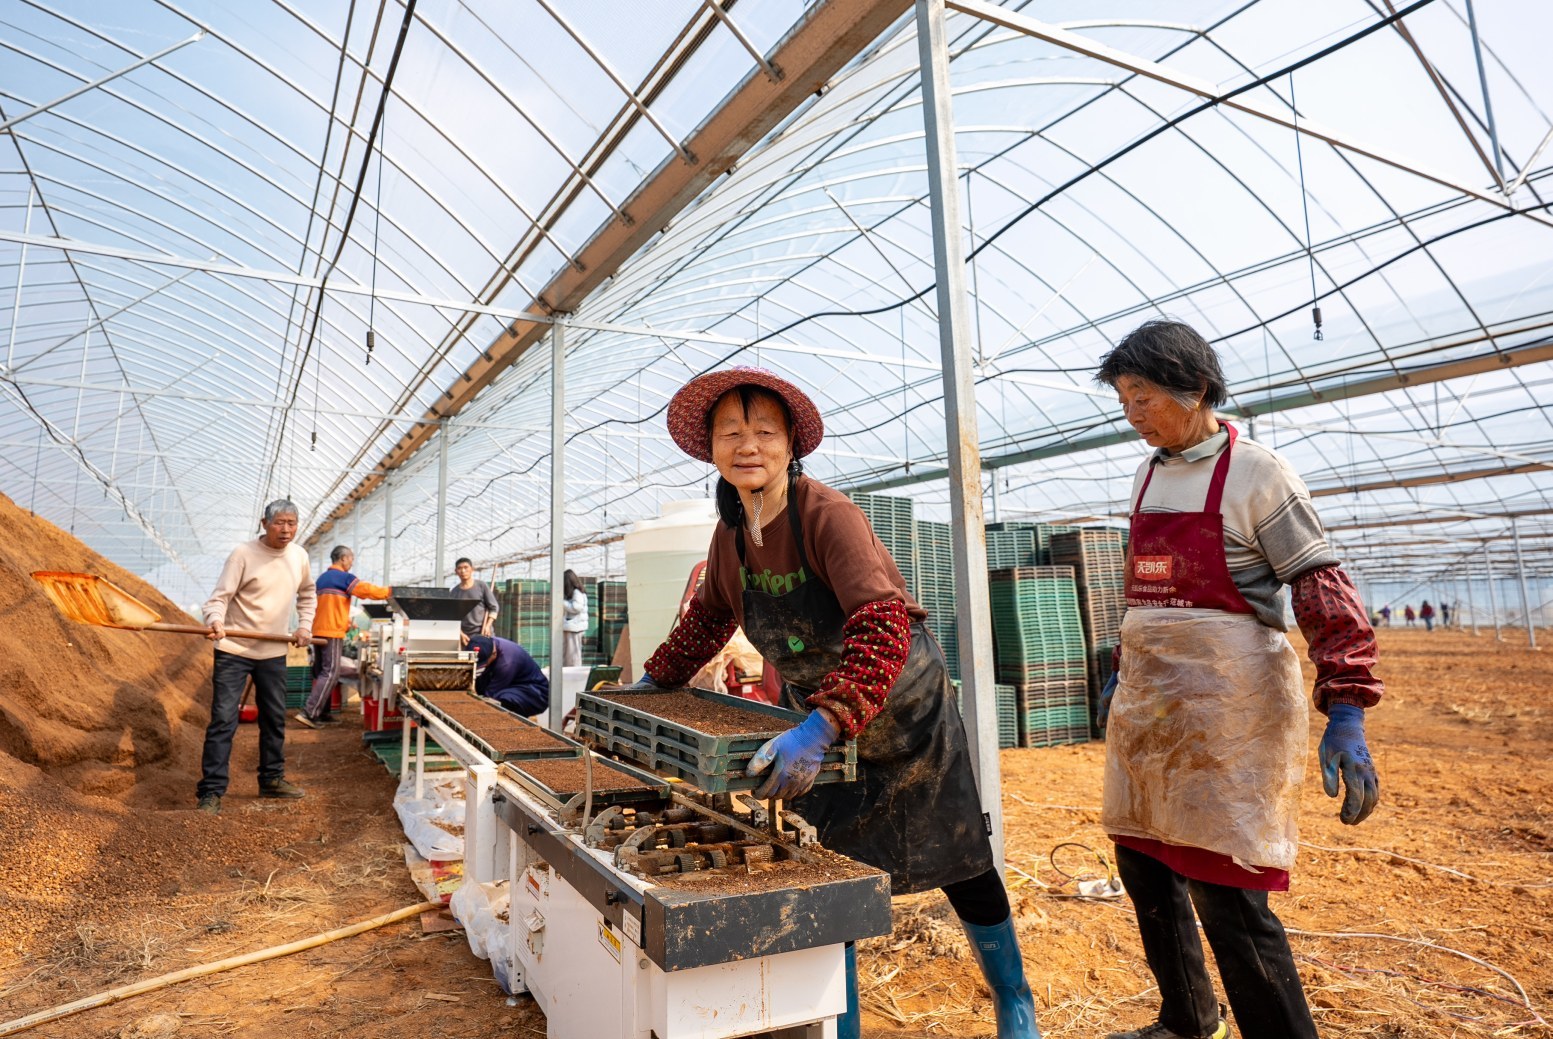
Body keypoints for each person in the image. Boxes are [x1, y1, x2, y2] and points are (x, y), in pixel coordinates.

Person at [628, 368, 1040, 1039]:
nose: (747, 445)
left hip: (904, 712)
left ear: (791, 443)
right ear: (711, 449)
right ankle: (834, 1021)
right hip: (820, 722)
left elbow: (880, 627)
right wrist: (654, 679)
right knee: (823, 870)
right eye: (730, 432)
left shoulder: (826, 515)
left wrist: (820, 726)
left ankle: (1014, 999)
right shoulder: (729, 537)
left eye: (764, 431)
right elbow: (704, 620)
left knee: (959, 858)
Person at [1093, 321, 1382, 1039]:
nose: (1132, 413)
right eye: (1123, 398)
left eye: (1143, 395)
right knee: (1143, 863)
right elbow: (1145, 589)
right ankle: (1188, 1018)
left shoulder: (1257, 473)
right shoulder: (1147, 473)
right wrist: (1125, 671)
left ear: (1194, 390)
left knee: (1229, 895)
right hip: (1152, 709)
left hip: (1229, 712)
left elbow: (1319, 588)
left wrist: (1346, 706)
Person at [197, 499, 318, 814]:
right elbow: (219, 598)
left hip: (273, 650)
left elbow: (307, 594)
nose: (286, 529)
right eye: (280, 522)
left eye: (292, 523)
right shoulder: (243, 554)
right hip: (234, 648)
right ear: (264, 523)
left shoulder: (299, 557)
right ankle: (210, 791)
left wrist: (304, 625)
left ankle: (271, 779)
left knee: (275, 718)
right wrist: (215, 621)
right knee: (224, 720)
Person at [295, 545, 390, 729]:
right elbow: (364, 590)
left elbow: (328, 607)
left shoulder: (322, 579)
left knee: (322, 672)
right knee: (331, 672)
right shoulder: (343, 577)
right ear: (344, 558)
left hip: (318, 631)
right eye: (351, 558)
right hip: (331, 632)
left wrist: (345, 623)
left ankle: (323, 713)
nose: (351, 562)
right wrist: (389, 592)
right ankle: (309, 712)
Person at [467, 634, 549, 716]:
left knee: (499, 700)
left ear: (494, 653)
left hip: (535, 693)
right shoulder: (489, 643)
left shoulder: (506, 663)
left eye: (484, 662)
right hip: (513, 683)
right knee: (480, 684)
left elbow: (490, 696)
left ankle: (511, 723)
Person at [452, 557, 498, 646]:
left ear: (472, 569)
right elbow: (453, 618)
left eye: (466, 567)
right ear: (456, 571)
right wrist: (460, 633)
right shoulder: (454, 592)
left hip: (484, 633)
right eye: (459, 568)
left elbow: (494, 608)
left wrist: (488, 626)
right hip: (465, 637)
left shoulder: (481, 586)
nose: (463, 571)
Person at [562, 569, 588, 667]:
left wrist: (562, 602)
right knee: (568, 655)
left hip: (575, 628)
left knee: (573, 656)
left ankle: (574, 676)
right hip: (572, 627)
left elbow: (576, 607)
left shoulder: (577, 592)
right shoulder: (575, 592)